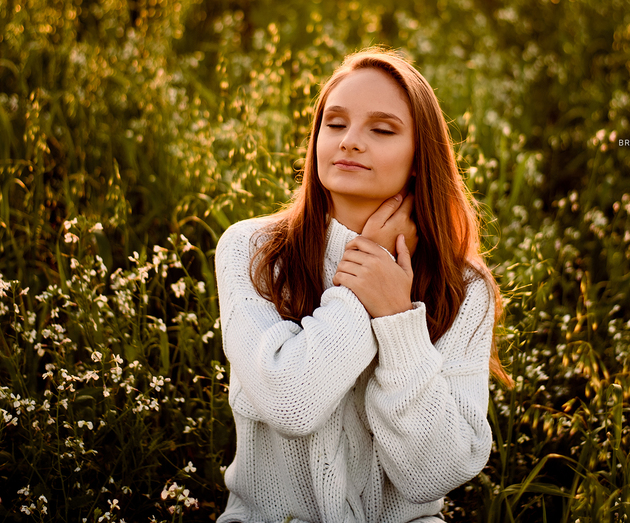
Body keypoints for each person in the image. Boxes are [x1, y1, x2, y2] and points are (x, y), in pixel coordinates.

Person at [214, 47, 509, 523]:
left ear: (419, 157)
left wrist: (398, 323)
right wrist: (360, 288)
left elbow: (436, 474)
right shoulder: (252, 251)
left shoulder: (462, 286)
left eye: (382, 129)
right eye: (335, 124)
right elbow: (291, 403)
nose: (350, 141)